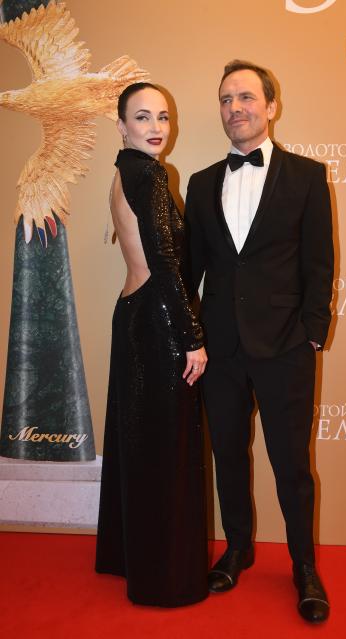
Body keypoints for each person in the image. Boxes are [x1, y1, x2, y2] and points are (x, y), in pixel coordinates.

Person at [185, 61, 334, 623]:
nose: (235, 108)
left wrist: (312, 335)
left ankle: (304, 566)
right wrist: (191, 336)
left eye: (245, 97)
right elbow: (190, 271)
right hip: (220, 350)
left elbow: (319, 263)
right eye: (226, 99)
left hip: (286, 347)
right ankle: (238, 549)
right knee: (227, 456)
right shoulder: (201, 183)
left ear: (270, 106)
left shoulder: (307, 176)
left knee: (291, 465)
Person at [95, 82, 208, 607]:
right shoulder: (151, 174)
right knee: (165, 449)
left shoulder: (124, 171)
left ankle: (129, 558)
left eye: (163, 116)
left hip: (132, 315)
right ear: (121, 125)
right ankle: (164, 579)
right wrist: (192, 338)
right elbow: (164, 261)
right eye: (143, 117)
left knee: (140, 444)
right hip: (159, 321)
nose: (157, 127)